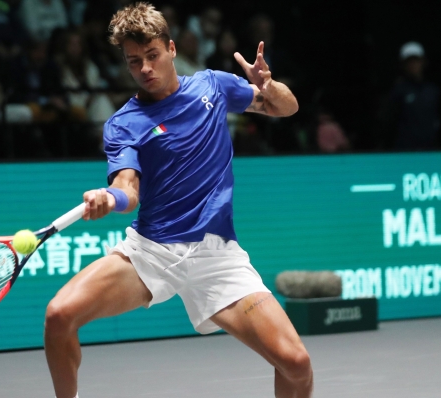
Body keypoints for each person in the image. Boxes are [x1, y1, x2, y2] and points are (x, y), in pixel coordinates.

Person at [43, 3, 312, 398]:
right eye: (134, 62)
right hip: (152, 253)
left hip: (218, 258)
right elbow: (127, 189)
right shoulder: (124, 124)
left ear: (171, 49)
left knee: (296, 364)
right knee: (59, 315)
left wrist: (268, 86)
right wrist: (109, 198)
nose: (145, 68)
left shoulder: (213, 86)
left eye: (152, 56)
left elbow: (287, 107)